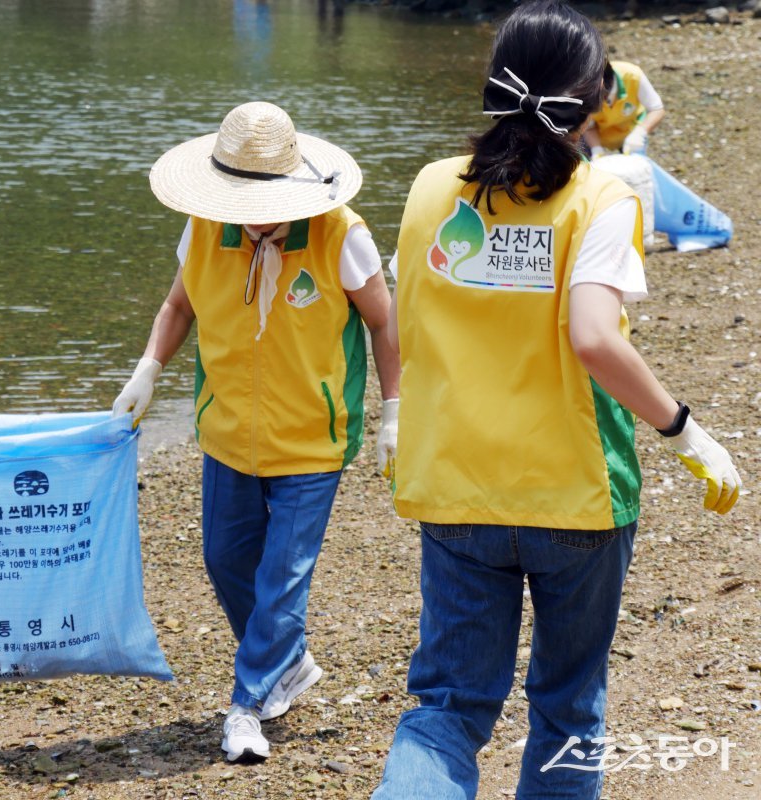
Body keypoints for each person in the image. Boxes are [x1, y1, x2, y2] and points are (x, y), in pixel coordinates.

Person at [372, 2, 740, 798]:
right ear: (596, 95)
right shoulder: (601, 200)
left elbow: (402, 322)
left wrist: (394, 411)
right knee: (569, 710)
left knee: (446, 708)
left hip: (457, 485)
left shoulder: (433, 189)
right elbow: (596, 339)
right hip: (574, 494)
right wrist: (686, 433)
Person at [112, 101, 400, 763]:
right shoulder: (206, 230)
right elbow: (180, 303)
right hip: (227, 429)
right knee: (223, 558)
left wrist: (395, 412)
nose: (249, 212)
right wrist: (148, 368)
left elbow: (383, 323)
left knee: (282, 577)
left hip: (311, 439)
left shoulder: (339, 234)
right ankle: (286, 662)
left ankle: (246, 706)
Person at [583, 59, 665, 157]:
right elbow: (589, 128)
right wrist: (597, 150)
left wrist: (640, 133)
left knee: (636, 166)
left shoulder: (633, 76)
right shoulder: (581, 93)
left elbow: (657, 109)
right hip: (598, 135)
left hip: (631, 132)